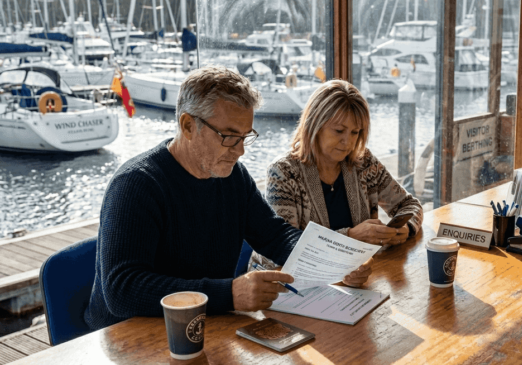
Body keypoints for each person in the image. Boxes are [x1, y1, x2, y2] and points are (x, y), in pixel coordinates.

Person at [84, 67, 372, 331]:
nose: (240, 151)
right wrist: (230, 294)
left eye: (246, 136)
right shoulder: (136, 185)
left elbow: (273, 234)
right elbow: (122, 291)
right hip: (128, 339)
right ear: (187, 126)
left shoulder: (233, 176)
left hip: (201, 324)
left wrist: (334, 261)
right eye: (229, 136)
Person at [258, 79, 422, 263]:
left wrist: (406, 228)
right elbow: (283, 250)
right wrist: (350, 237)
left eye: (355, 132)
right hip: (296, 285)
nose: (348, 142)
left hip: (357, 279)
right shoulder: (283, 173)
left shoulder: (364, 162)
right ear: (315, 125)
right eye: (338, 131)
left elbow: (410, 205)